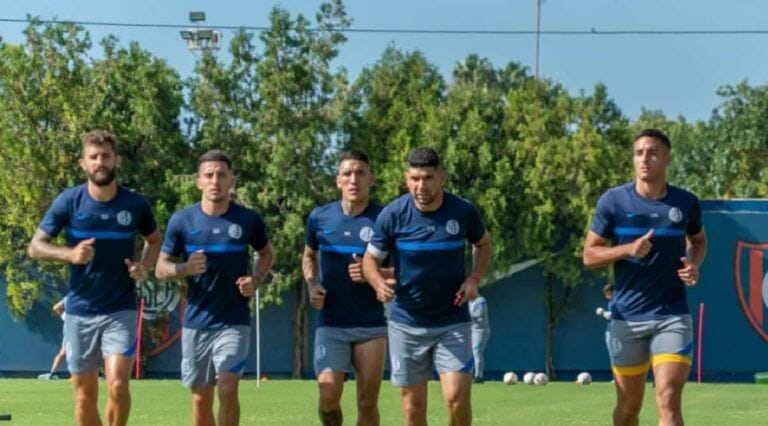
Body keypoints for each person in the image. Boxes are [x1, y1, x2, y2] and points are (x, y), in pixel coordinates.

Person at [28, 130, 162, 426]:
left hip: (120, 309)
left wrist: (145, 267)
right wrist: (70, 254)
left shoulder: (135, 205)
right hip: (80, 312)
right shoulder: (68, 202)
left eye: (105, 156)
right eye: (94, 157)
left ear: (117, 160)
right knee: (84, 396)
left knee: (117, 385)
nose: (100, 162)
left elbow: (154, 240)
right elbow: (35, 247)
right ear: (83, 164)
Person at [583, 128, 707, 426]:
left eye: (652, 152)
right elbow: (589, 255)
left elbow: (699, 240)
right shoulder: (613, 202)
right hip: (626, 317)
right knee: (628, 407)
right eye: (639, 153)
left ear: (667, 158)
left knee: (667, 398)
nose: (644, 159)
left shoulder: (685, 203)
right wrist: (628, 249)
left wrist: (693, 263)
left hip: (672, 316)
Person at [362, 147, 492, 426]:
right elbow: (370, 260)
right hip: (406, 324)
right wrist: (377, 284)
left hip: (452, 321)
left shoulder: (463, 211)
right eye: (415, 178)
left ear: (442, 177)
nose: (421, 186)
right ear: (407, 178)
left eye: (428, 178)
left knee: (456, 399)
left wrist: (474, 279)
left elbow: (483, 244)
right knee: (413, 408)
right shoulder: (393, 214)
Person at [155, 149, 274, 426]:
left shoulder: (247, 220)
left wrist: (255, 280)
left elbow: (267, 253)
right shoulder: (182, 221)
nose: (215, 181)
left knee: (228, 388)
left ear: (232, 180)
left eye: (222, 175)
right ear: (198, 181)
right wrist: (185, 268)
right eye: (209, 175)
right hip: (196, 323)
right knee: (200, 398)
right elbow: (161, 268)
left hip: (234, 321)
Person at [303, 150, 389, 426]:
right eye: (347, 174)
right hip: (331, 323)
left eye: (360, 173)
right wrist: (311, 284)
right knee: (328, 397)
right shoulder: (319, 218)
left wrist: (373, 272)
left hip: (371, 323)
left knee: (367, 402)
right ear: (337, 180)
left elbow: (404, 269)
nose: (354, 179)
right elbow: (309, 255)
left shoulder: (385, 220)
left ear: (371, 179)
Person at [39, 298, 68, 380]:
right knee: (63, 352)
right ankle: (52, 374)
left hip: (79, 329)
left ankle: (52, 374)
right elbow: (56, 307)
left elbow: (56, 307)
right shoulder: (70, 297)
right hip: (74, 331)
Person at [468, 293, 491, 384]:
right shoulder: (469, 302)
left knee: (477, 352)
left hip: (481, 331)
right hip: (472, 330)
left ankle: (479, 376)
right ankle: (470, 375)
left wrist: (465, 315)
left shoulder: (481, 300)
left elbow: (478, 314)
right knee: (470, 353)